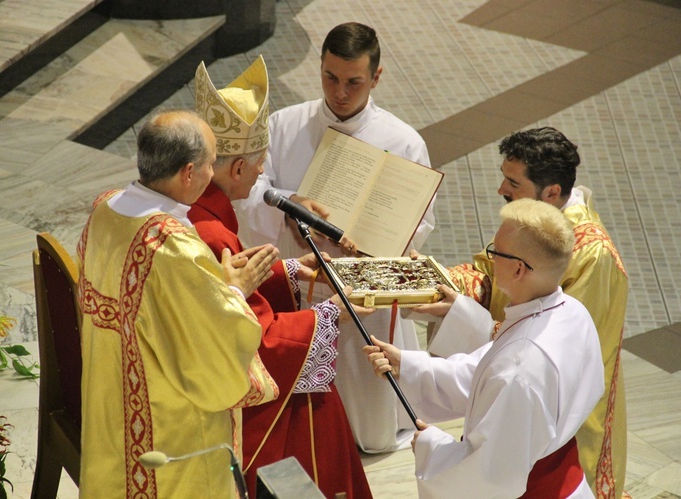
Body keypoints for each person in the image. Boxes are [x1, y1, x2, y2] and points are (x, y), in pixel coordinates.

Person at [236, 21, 435, 453]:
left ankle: (371, 434)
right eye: (330, 77)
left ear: (376, 77)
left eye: (353, 82)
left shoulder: (404, 142)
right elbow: (251, 188)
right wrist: (289, 205)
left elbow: (420, 222)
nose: (340, 92)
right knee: (304, 421)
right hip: (301, 278)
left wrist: (377, 240)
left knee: (367, 413)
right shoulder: (285, 125)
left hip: (363, 288)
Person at [190, 56, 373, 498]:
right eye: (258, 162)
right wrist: (330, 315)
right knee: (322, 407)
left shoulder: (201, 211)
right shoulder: (211, 232)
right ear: (235, 169)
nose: (261, 170)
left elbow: (236, 293)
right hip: (222, 393)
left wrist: (289, 272)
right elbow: (259, 338)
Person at [77, 110, 281, 498]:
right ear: (188, 173)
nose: (210, 175)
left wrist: (212, 282)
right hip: (163, 424)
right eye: (208, 164)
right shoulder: (171, 245)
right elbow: (210, 344)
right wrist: (234, 292)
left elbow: (149, 302)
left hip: (109, 399)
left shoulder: (106, 209)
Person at [428, 127, 628, 498]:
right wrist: (433, 280)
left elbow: (545, 342)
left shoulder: (592, 256)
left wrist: (460, 314)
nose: (501, 189)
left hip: (553, 413)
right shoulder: (535, 220)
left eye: (512, 182)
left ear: (551, 192)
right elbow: (489, 272)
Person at [365, 198, 605, 497]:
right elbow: (488, 371)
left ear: (519, 269)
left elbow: (490, 478)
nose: (490, 260)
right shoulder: (571, 311)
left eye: (495, 251)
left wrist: (432, 447)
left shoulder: (521, 366)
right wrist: (410, 365)